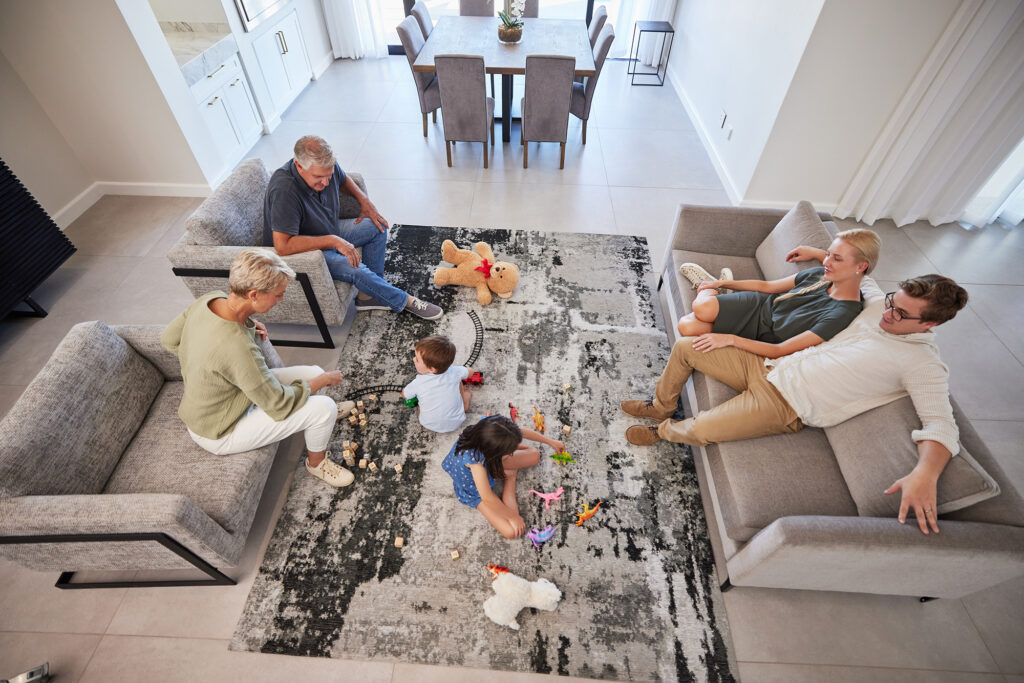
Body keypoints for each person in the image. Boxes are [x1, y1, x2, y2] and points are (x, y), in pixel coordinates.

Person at [623, 272, 969, 535]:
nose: (889, 312)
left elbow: (941, 424)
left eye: (901, 313)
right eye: (894, 301)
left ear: (930, 323)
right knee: (688, 346)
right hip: (768, 366)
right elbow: (860, 268)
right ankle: (660, 406)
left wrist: (925, 473)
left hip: (785, 405)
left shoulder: (923, 364)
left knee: (701, 429)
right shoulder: (879, 305)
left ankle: (663, 430)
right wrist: (821, 251)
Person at [162, 249, 356, 488]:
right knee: (323, 403)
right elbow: (278, 404)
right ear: (254, 294)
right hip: (220, 430)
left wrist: (248, 327)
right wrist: (323, 381)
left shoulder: (209, 300)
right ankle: (316, 463)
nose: (281, 299)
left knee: (314, 372)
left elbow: (169, 340)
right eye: (278, 295)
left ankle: (320, 418)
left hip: (233, 395)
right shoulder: (238, 348)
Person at [263, 134, 443, 320]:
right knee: (354, 266)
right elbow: (282, 246)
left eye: (328, 176)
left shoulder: (323, 166)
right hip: (305, 252)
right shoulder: (284, 190)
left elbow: (343, 179)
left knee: (376, 226)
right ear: (299, 166)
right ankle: (404, 301)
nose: (325, 183)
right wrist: (333, 240)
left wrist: (364, 200)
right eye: (318, 177)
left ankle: (369, 296)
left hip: (328, 232)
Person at [676, 229, 881, 359]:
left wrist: (730, 339)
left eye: (836, 258)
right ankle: (711, 286)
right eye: (827, 254)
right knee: (701, 308)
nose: (826, 262)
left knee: (687, 326)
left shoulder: (842, 313)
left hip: (766, 337)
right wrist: (723, 281)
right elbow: (766, 287)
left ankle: (714, 291)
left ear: (861, 266)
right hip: (760, 307)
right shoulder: (820, 274)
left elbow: (780, 350)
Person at [443, 415, 565, 539]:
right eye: (509, 451)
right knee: (512, 531)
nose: (512, 453)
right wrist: (513, 517)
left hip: (491, 460)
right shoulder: (475, 463)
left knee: (535, 456)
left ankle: (508, 471)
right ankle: (510, 476)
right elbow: (488, 498)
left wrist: (551, 442)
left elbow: (523, 433)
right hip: (475, 490)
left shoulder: (492, 428)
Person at [401, 335, 473, 433]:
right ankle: (464, 404)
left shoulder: (418, 383)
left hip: (428, 423)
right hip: (456, 421)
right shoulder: (455, 371)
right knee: (458, 379)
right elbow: (471, 372)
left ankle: (463, 405)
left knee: (420, 404)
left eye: (417, 360)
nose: (414, 360)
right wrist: (465, 370)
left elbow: (404, 394)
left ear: (431, 369)